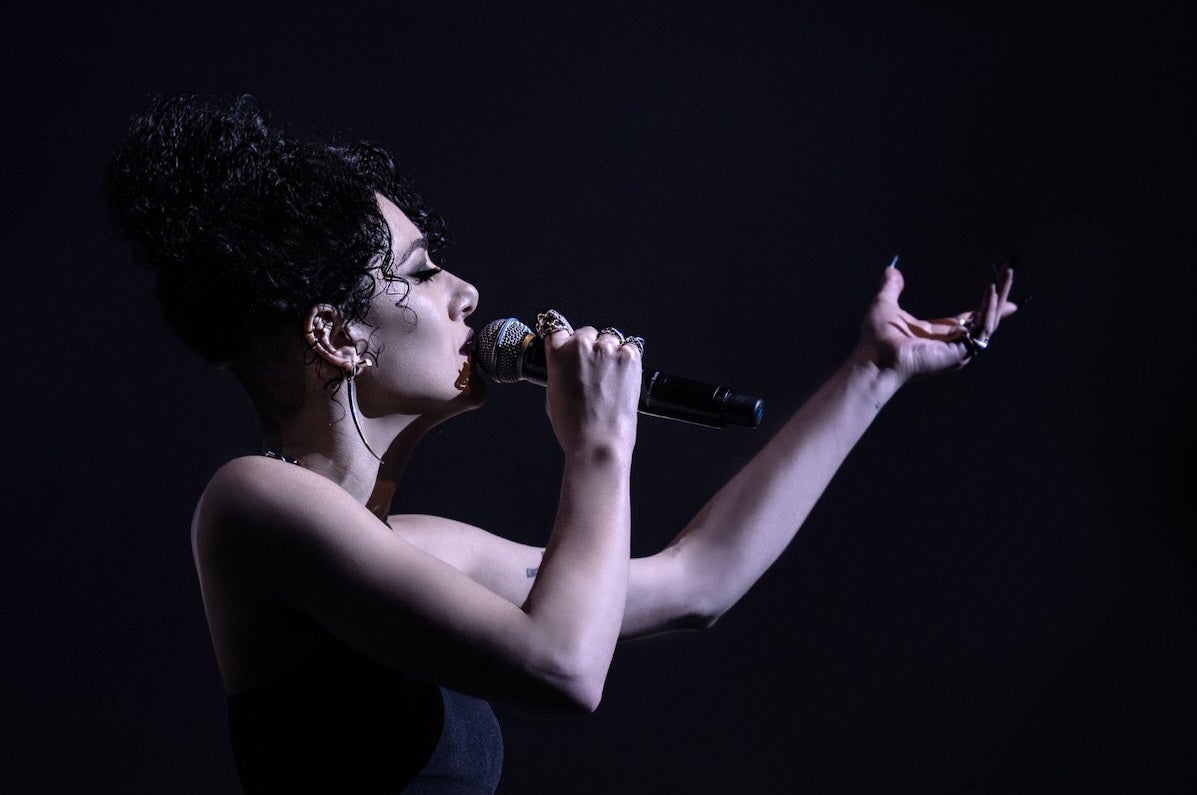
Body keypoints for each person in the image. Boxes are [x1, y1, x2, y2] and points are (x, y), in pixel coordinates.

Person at [102, 93, 1017, 793]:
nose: (465, 292)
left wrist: (874, 371)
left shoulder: (419, 551)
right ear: (336, 336)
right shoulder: (253, 502)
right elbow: (564, 665)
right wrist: (598, 447)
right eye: (421, 273)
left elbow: (698, 582)